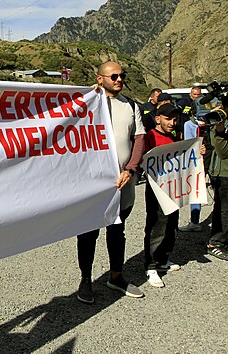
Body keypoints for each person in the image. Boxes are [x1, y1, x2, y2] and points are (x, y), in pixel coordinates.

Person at [76, 61, 145, 304]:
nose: (119, 79)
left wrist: (130, 169)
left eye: (122, 75)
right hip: (93, 185)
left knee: (117, 231)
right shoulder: (85, 105)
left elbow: (138, 139)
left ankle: (116, 276)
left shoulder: (130, 105)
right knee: (87, 234)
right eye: (113, 75)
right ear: (100, 79)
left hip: (123, 182)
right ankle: (86, 280)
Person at [142, 103, 205, 287]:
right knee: (156, 226)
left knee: (171, 224)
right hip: (156, 189)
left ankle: (163, 259)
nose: (172, 122)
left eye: (175, 119)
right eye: (168, 118)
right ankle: (151, 265)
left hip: (174, 188)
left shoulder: (175, 136)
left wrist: (198, 152)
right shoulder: (149, 136)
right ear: (158, 118)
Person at [179, 109, 207, 232]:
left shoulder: (189, 124)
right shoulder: (190, 124)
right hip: (201, 159)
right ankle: (195, 221)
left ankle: (195, 222)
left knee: (196, 189)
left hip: (206, 159)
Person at [207, 106, 228, 261]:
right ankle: (217, 242)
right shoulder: (219, 122)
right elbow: (222, 151)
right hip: (222, 173)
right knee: (224, 210)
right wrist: (219, 129)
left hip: (221, 172)